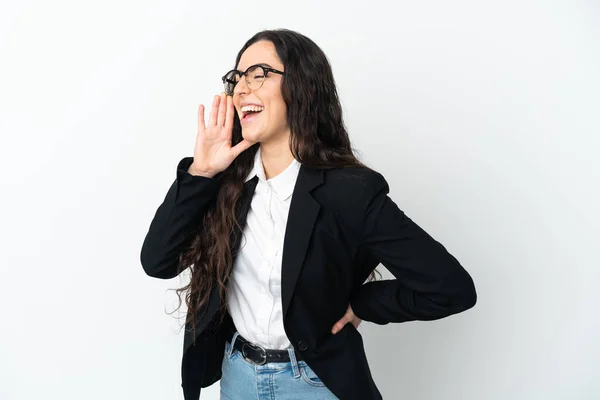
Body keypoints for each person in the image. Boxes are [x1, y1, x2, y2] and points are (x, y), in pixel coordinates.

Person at [140, 28, 477, 400]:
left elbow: (450, 288)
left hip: (314, 384)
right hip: (237, 379)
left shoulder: (349, 190)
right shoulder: (227, 184)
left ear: (302, 86)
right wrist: (201, 173)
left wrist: (363, 303)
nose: (241, 89)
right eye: (236, 78)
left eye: (258, 73)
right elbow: (158, 261)